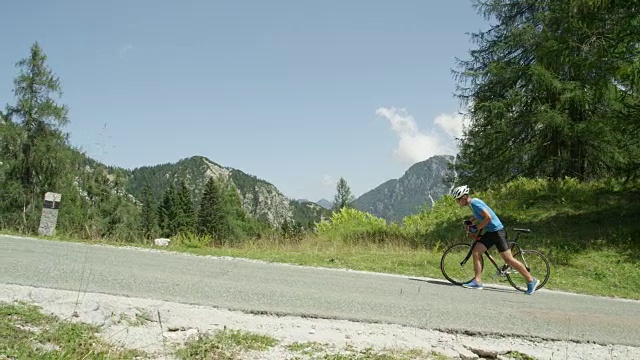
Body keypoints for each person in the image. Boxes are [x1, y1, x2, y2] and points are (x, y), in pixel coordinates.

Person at [450, 185, 540, 295]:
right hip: (492, 232)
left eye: (458, 199)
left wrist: (477, 228)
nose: (457, 202)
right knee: (476, 251)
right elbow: (480, 216)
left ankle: (531, 280)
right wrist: (470, 221)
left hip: (497, 232)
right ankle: (477, 282)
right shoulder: (473, 204)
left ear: (464, 197)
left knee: (508, 260)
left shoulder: (474, 203)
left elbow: (488, 217)